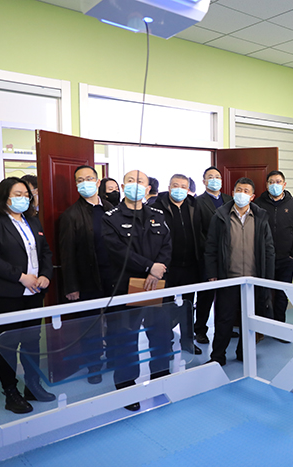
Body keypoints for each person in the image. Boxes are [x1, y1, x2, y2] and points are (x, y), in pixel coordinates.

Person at [0, 177, 55, 414]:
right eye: (17, 194)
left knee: (32, 342)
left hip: (34, 292)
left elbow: (45, 252)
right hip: (7, 293)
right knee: (8, 344)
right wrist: (21, 277)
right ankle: (11, 393)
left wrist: (45, 275)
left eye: (26, 195)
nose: (24, 198)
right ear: (5, 196)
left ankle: (33, 386)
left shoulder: (32, 220)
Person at [102, 170, 172, 411]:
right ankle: (126, 387)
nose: (135, 185)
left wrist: (157, 270)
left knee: (160, 335)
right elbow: (117, 251)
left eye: (140, 182)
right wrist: (149, 267)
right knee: (126, 339)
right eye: (130, 181)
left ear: (148, 188)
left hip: (155, 285)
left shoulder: (157, 215)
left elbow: (167, 245)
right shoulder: (111, 218)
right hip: (126, 286)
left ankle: (161, 379)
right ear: (123, 186)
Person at [204, 177, 275, 366]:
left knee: (249, 319)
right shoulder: (220, 216)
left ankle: (244, 352)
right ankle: (218, 356)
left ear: (252, 197)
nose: (241, 194)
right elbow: (211, 247)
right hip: (228, 278)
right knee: (224, 319)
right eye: (239, 190)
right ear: (233, 192)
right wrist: (212, 273)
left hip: (253, 280)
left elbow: (269, 250)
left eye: (246, 191)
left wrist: (268, 278)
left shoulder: (260, 217)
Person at [58, 165, 114, 384]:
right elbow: (66, 254)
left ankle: (114, 358)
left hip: (113, 277)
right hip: (87, 278)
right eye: (80, 180)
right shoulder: (71, 215)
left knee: (116, 320)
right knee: (90, 326)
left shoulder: (111, 208)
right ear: (76, 185)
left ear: (98, 182)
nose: (85, 183)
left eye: (89, 178)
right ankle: (94, 366)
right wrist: (71, 286)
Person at [154, 174, 204, 355]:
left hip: (190, 265)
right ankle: (165, 342)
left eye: (183, 186)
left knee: (188, 306)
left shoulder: (194, 205)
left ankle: (187, 341)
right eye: (176, 185)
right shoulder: (157, 206)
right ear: (169, 187)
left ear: (188, 189)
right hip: (167, 267)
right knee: (164, 307)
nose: (179, 189)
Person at [254, 170, 293, 328]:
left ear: (284, 184)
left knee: (282, 293)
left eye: (278, 182)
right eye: (271, 182)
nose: (274, 185)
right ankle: (264, 326)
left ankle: (280, 325)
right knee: (263, 293)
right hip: (264, 258)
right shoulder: (258, 204)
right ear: (266, 185)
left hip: (286, 258)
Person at [194, 166, 232, 344]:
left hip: (228, 255)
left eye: (217, 177)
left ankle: (224, 329)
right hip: (207, 255)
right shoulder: (198, 202)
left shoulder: (229, 200)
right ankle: (200, 330)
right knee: (206, 296)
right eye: (210, 177)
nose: (214, 180)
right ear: (204, 181)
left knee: (225, 296)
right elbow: (197, 231)